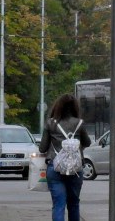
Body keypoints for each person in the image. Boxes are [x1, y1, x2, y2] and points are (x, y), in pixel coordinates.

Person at [39, 93, 92, 221]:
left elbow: (42, 148)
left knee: (58, 204)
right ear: (74, 107)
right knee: (74, 204)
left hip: (55, 168)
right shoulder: (79, 123)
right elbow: (87, 142)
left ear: (58, 107)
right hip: (75, 169)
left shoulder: (50, 123)